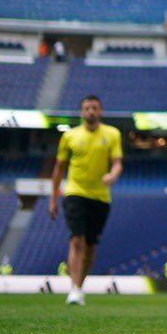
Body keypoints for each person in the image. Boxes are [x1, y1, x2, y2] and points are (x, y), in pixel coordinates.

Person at [48, 94, 123, 307]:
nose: (91, 111)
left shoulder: (112, 134)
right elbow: (58, 169)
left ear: (100, 111)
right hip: (75, 193)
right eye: (87, 108)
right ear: (81, 112)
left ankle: (80, 286)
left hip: (100, 197)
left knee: (90, 245)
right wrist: (53, 199)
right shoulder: (70, 136)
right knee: (76, 240)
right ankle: (73, 289)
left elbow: (117, 163)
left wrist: (113, 175)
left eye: (95, 108)